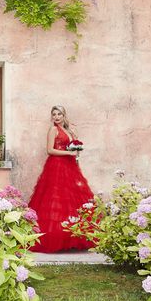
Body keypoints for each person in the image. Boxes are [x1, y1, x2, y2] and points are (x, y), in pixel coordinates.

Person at [28, 105, 95, 253]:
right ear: (52, 117)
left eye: (59, 114)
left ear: (64, 115)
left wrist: (75, 151)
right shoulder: (53, 129)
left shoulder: (68, 130)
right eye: (54, 114)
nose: (57, 117)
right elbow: (50, 150)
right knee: (55, 199)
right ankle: (53, 238)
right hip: (56, 166)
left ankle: (71, 238)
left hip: (69, 167)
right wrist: (68, 153)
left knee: (70, 199)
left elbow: (71, 146)